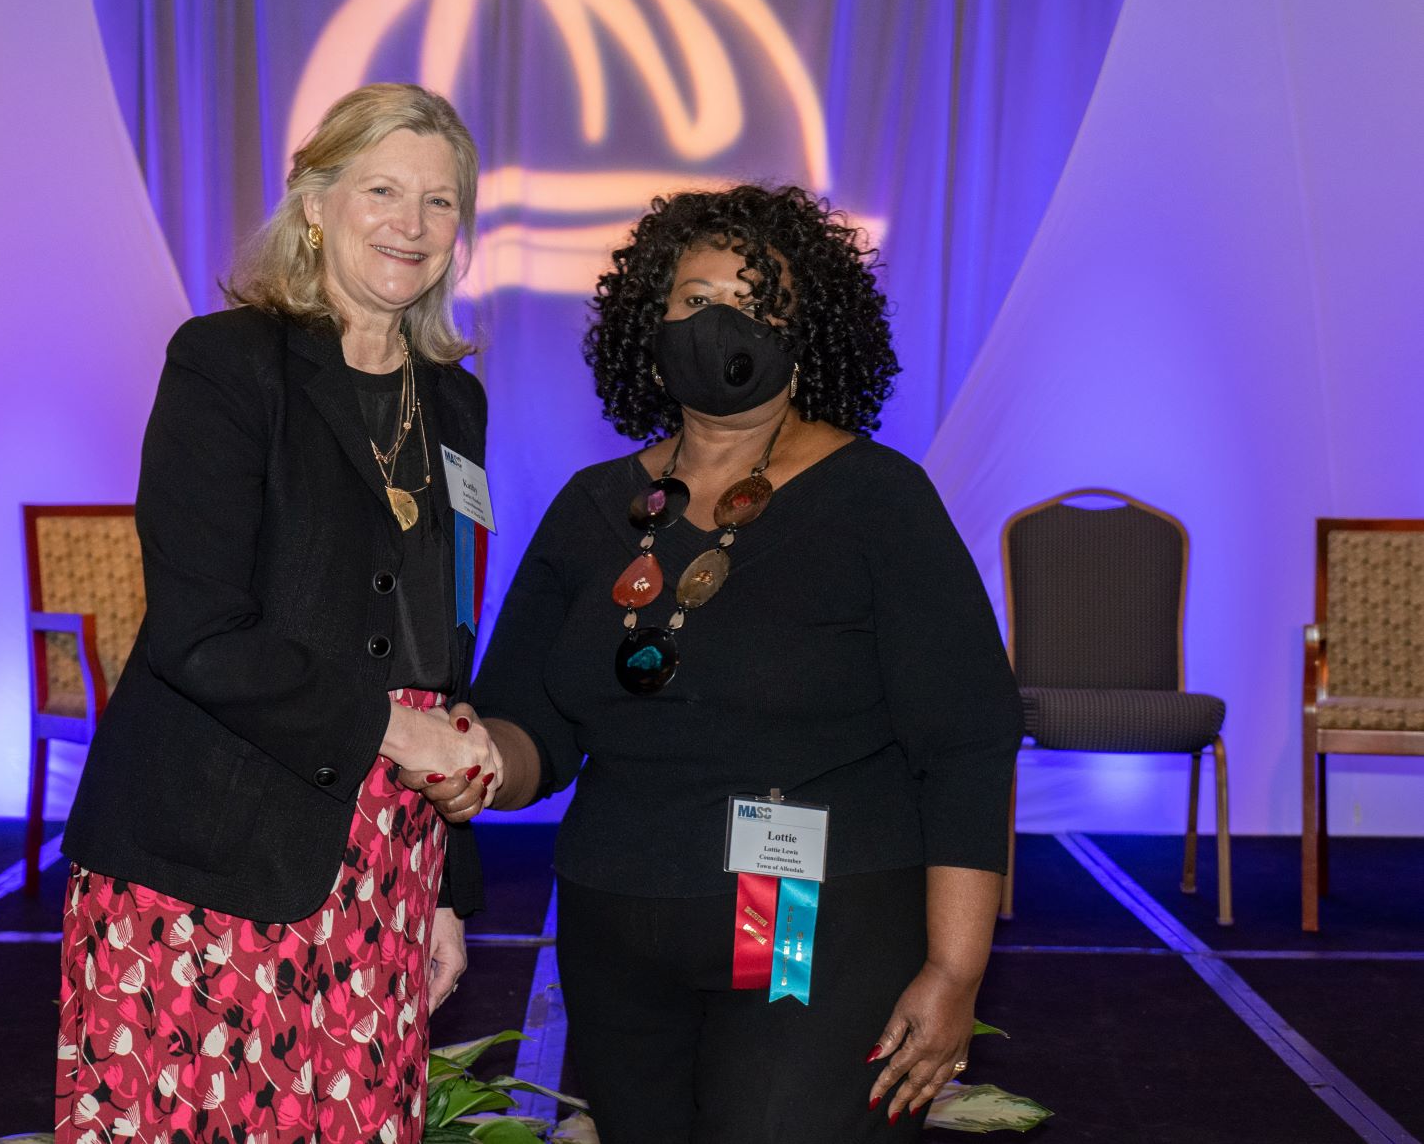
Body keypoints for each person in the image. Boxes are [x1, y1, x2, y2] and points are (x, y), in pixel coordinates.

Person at [464, 185, 1022, 1143]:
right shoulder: (589, 506)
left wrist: (954, 970)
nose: (720, 321)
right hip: (611, 923)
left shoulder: (877, 500)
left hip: (807, 911)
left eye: (757, 303)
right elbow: (528, 731)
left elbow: (967, 742)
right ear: (648, 325)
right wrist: (461, 758)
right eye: (694, 298)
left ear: (809, 336)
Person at [56, 83, 500, 1144]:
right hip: (209, 858)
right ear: (315, 203)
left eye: (439, 201)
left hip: (387, 860)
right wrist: (397, 729)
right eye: (382, 190)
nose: (411, 223)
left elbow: (442, 648)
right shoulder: (228, 364)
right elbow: (198, 633)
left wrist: (448, 888)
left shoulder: (455, 402)